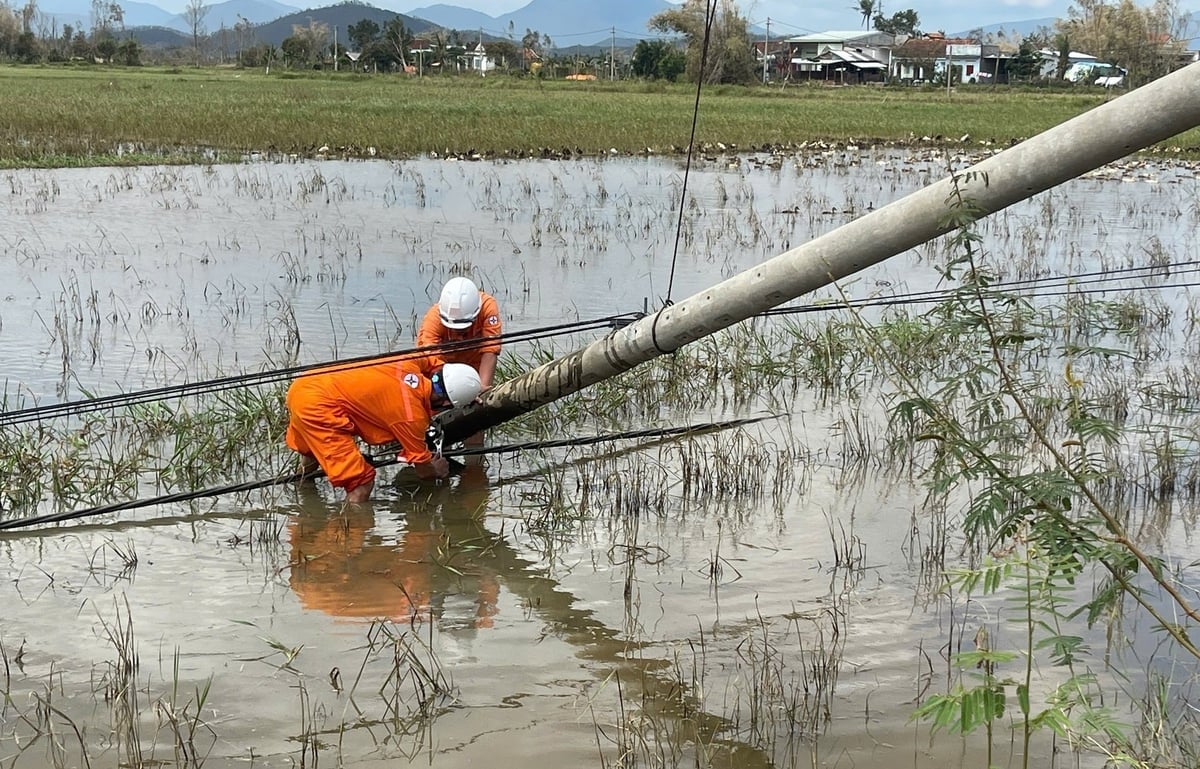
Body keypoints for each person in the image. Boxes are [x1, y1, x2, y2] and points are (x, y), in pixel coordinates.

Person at [285, 359, 482, 502]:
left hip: (304, 385)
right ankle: (345, 543)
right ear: (447, 403)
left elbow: (432, 361)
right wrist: (436, 468)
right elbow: (422, 469)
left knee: (314, 449)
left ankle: (303, 492)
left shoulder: (409, 363)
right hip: (317, 407)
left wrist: (464, 387)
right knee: (361, 483)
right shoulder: (411, 416)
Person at [417, 276, 502, 392]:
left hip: (475, 365)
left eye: (465, 327)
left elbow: (490, 350)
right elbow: (432, 362)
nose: (460, 333)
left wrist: (482, 390)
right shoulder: (432, 320)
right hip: (443, 367)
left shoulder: (487, 307)